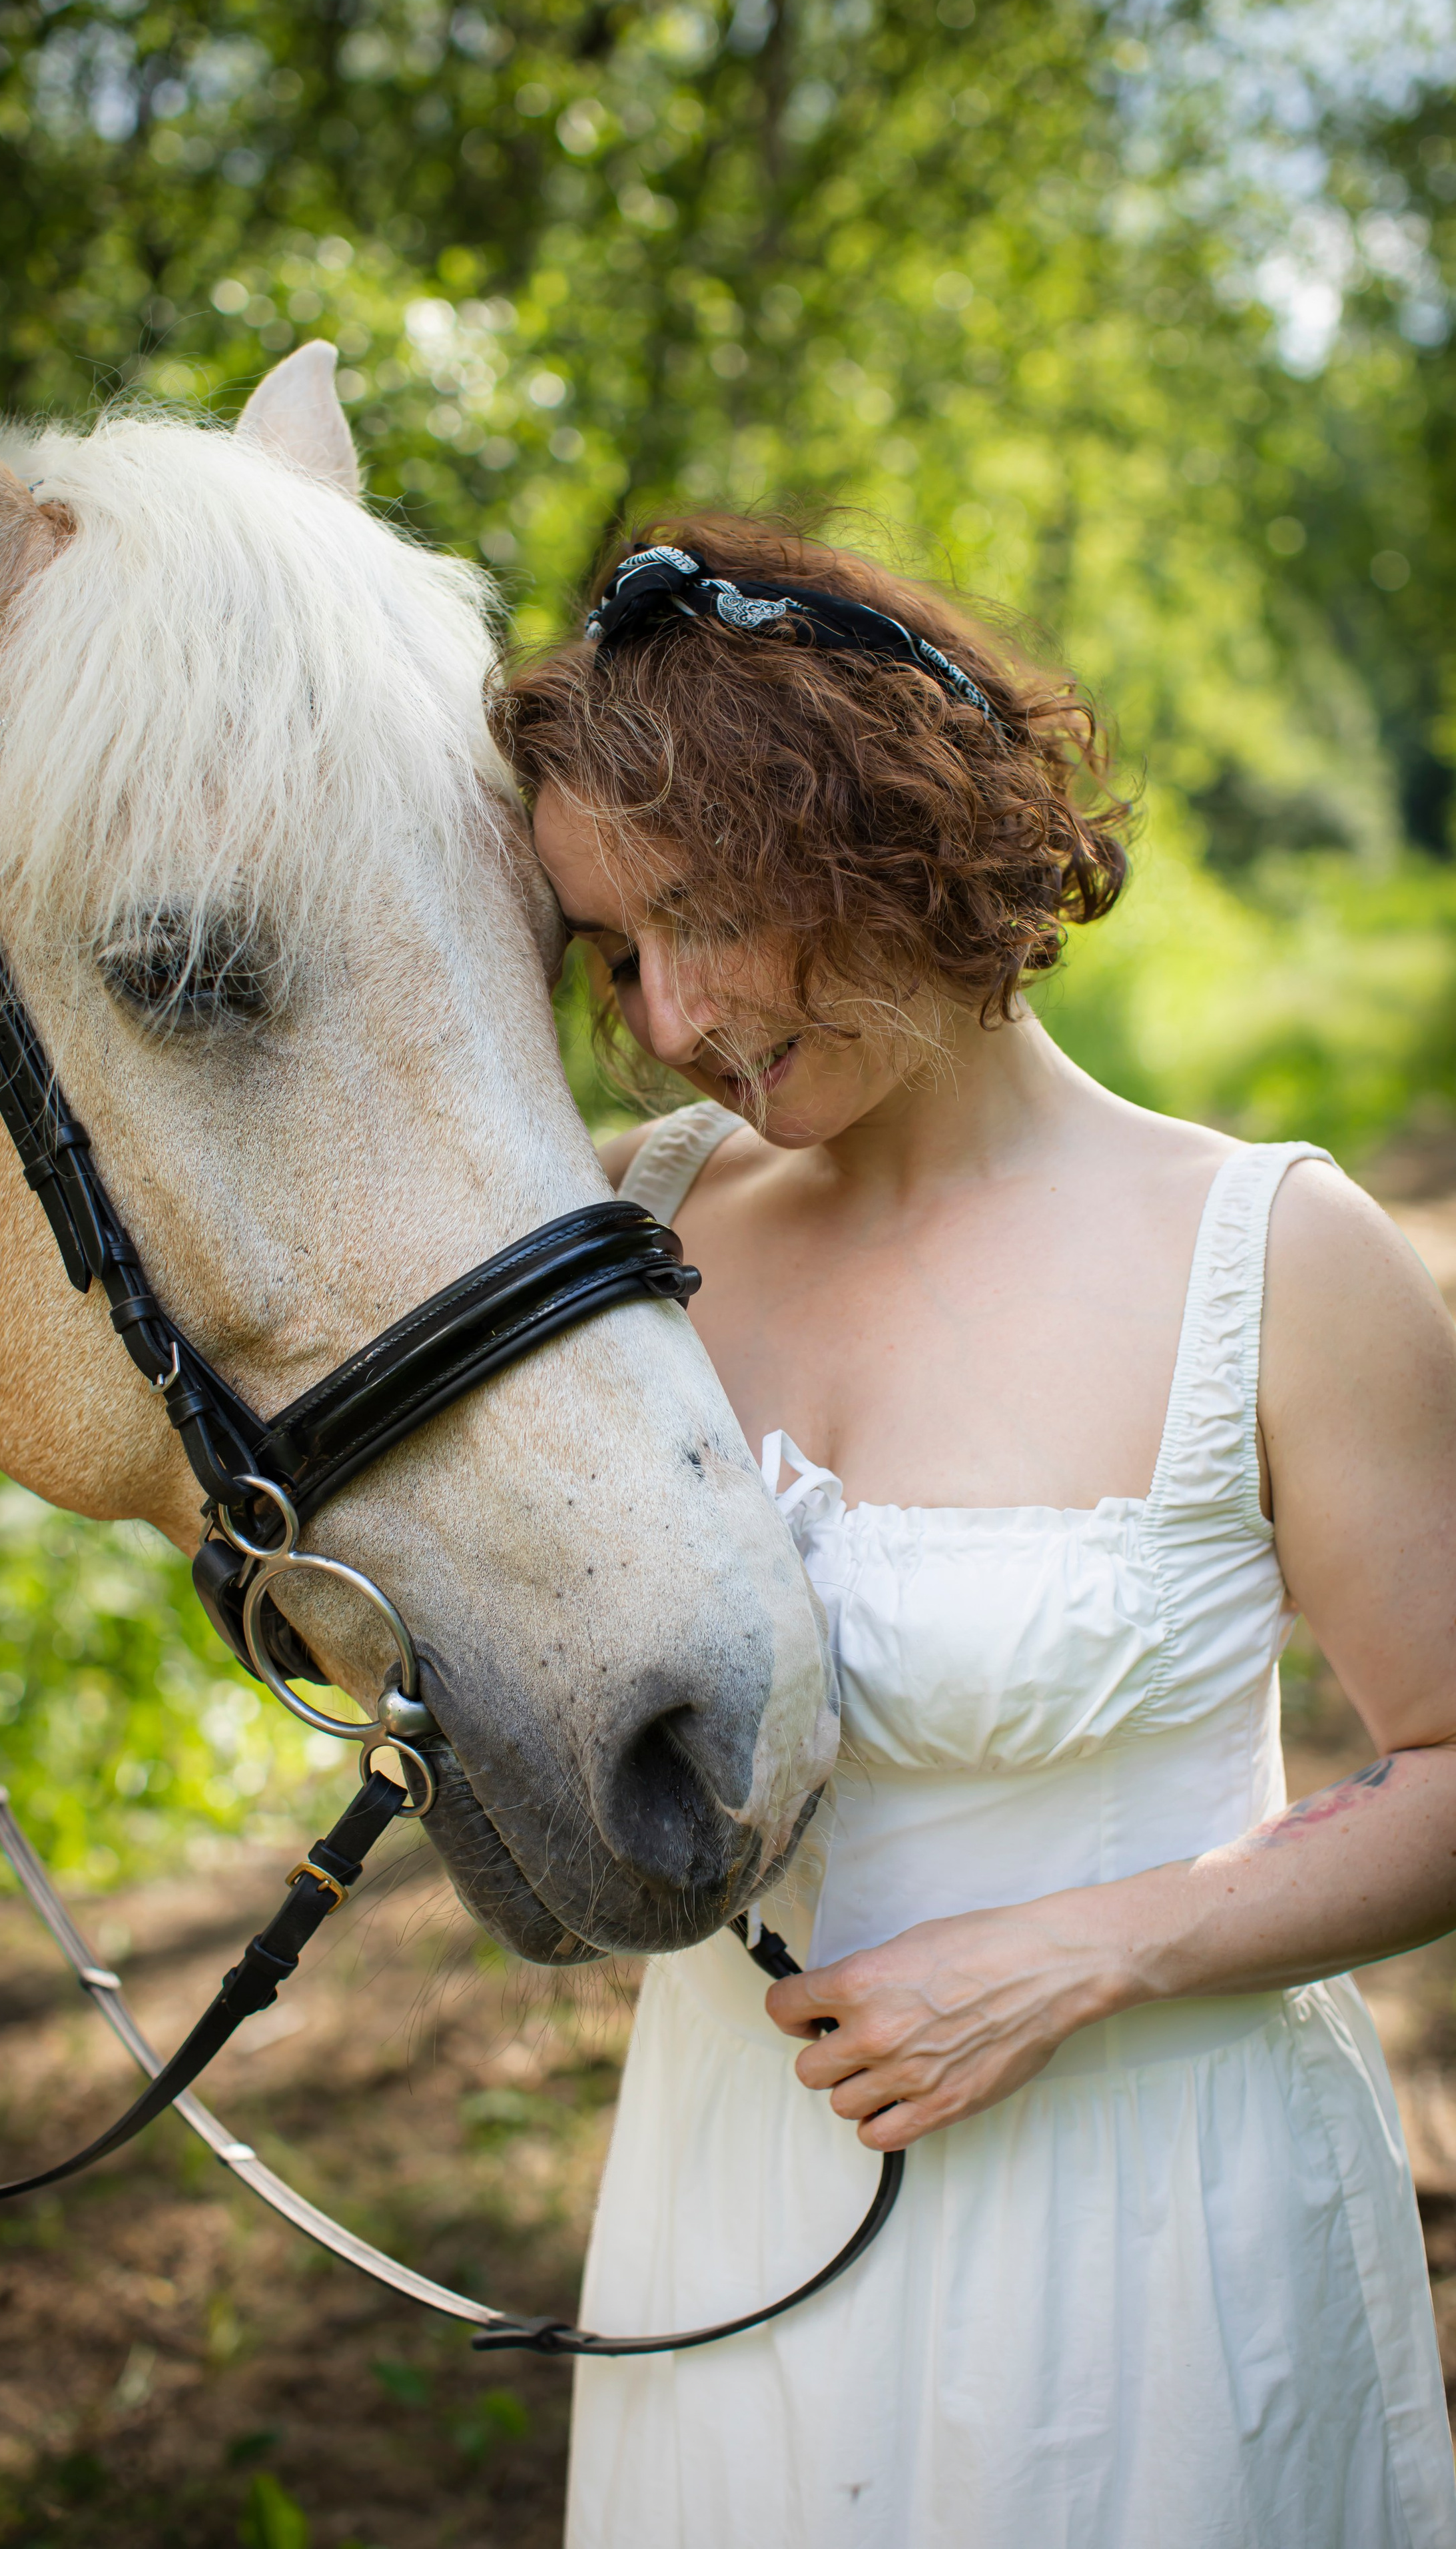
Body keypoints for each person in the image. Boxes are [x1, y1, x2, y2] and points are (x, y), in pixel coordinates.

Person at [490, 522, 1456, 2548]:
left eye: (702, 913)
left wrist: (1079, 1956)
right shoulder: (627, 1233)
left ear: (876, 827)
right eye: (613, 950)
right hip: (727, 2206)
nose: (669, 1015)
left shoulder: (1272, 1254)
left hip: (1150, 2237)